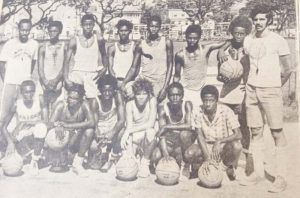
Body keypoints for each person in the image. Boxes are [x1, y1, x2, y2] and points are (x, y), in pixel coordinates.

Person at [230, 4, 292, 193]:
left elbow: (288, 69)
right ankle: (257, 173)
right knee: (255, 132)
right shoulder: (248, 40)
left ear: (269, 21)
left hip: (271, 91)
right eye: (255, 19)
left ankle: (280, 177)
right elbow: (246, 63)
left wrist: (274, 86)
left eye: (262, 19)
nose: (258, 22)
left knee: (277, 133)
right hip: (251, 90)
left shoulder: (278, 40)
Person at [214, 15, 253, 176]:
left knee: (243, 125)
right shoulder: (224, 50)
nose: (238, 36)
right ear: (232, 32)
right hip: (226, 93)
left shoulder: (249, 48)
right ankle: (226, 161)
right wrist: (222, 76)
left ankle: (244, 160)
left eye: (242, 33)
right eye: (235, 33)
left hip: (242, 92)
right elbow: (219, 74)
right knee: (224, 126)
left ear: (246, 33)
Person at [185, 85, 242, 181]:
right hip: (206, 146)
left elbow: (238, 134)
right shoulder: (198, 111)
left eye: (211, 100)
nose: (207, 104)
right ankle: (199, 167)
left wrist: (219, 141)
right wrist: (207, 157)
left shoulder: (226, 111)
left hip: (222, 146)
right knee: (189, 154)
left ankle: (225, 167)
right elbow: (199, 135)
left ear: (216, 100)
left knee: (237, 146)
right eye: (205, 100)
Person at [0, 19, 39, 139]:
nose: (24, 33)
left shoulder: (34, 44)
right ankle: (2, 143)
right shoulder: (9, 44)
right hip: (10, 82)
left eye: (27, 30)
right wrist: (5, 79)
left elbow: (33, 63)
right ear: (18, 29)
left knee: (23, 113)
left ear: (30, 30)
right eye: (22, 29)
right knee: (5, 114)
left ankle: (19, 141)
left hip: (25, 85)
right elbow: (1, 64)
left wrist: (26, 77)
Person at [122, 15, 173, 102]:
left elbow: (170, 65)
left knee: (156, 105)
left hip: (159, 81)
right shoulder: (141, 44)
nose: (154, 29)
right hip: (144, 80)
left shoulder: (166, 42)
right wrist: (123, 83)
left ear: (159, 27)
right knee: (127, 91)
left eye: (156, 26)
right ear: (148, 27)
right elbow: (134, 67)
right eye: (151, 26)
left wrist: (165, 87)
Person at [1, 80, 48, 175]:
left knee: (41, 128)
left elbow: (47, 122)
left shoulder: (40, 101)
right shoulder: (17, 104)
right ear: (22, 93)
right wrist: (10, 142)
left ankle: (35, 161)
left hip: (34, 129)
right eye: (26, 92)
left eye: (31, 91)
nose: (29, 94)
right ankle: (7, 154)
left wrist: (27, 122)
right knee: (6, 139)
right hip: (21, 130)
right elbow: (4, 127)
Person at [47, 83, 95, 176]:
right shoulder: (61, 105)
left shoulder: (84, 104)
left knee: (90, 131)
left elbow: (92, 122)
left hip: (76, 137)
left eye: (75, 99)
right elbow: (50, 123)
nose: (71, 101)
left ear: (81, 99)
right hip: (62, 137)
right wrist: (58, 125)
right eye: (70, 97)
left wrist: (68, 126)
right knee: (57, 168)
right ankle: (59, 154)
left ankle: (77, 163)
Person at [174, 24, 226, 107]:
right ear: (185, 37)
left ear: (199, 38)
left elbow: (224, 42)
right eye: (189, 38)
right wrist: (175, 91)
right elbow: (176, 76)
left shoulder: (206, 49)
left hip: (201, 89)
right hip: (186, 89)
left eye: (195, 38)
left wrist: (222, 50)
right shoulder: (180, 54)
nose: (192, 41)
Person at [152, 82, 196, 180]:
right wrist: (165, 155)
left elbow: (188, 125)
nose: (175, 98)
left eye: (178, 95)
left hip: (183, 142)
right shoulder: (163, 108)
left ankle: (186, 164)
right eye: (172, 95)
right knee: (156, 156)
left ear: (182, 96)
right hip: (170, 141)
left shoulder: (187, 104)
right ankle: (171, 159)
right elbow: (162, 134)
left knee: (184, 134)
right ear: (168, 96)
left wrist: (167, 127)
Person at [64, 14, 107, 100]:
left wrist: (105, 68)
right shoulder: (74, 40)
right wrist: (66, 78)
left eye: (90, 24)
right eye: (85, 24)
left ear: (93, 25)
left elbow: (104, 55)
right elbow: (66, 61)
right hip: (77, 74)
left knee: (93, 101)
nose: (88, 27)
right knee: (74, 101)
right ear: (82, 25)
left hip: (92, 74)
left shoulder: (99, 39)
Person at [120, 79, 157, 178]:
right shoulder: (129, 104)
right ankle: (135, 156)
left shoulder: (152, 101)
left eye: (144, 93)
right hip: (135, 134)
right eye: (138, 94)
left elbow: (151, 123)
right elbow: (129, 125)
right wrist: (130, 149)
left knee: (151, 132)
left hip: (145, 134)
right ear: (134, 94)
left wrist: (127, 132)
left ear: (149, 94)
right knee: (128, 158)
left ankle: (145, 162)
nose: (141, 97)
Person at [88, 74, 125, 172]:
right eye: (104, 91)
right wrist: (99, 137)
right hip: (100, 129)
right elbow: (94, 125)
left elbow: (121, 120)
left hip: (113, 127)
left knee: (122, 130)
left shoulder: (118, 97)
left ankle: (114, 156)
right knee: (93, 147)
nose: (107, 93)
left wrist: (112, 133)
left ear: (114, 90)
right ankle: (102, 152)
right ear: (100, 90)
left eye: (110, 90)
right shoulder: (95, 101)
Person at [38, 21, 67, 113]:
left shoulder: (65, 46)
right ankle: (44, 125)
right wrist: (45, 81)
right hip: (45, 81)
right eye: (50, 31)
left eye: (55, 31)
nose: (52, 33)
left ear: (59, 32)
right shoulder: (43, 47)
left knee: (56, 109)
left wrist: (56, 80)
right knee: (44, 107)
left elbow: (65, 66)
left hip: (58, 82)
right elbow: (40, 67)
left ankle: (53, 126)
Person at [107, 20, 140, 89]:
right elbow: (110, 68)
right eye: (121, 31)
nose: (123, 33)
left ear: (130, 32)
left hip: (130, 82)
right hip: (115, 81)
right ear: (118, 32)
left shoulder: (135, 47)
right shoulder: (112, 48)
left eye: (126, 31)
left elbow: (135, 68)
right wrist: (116, 81)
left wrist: (124, 83)